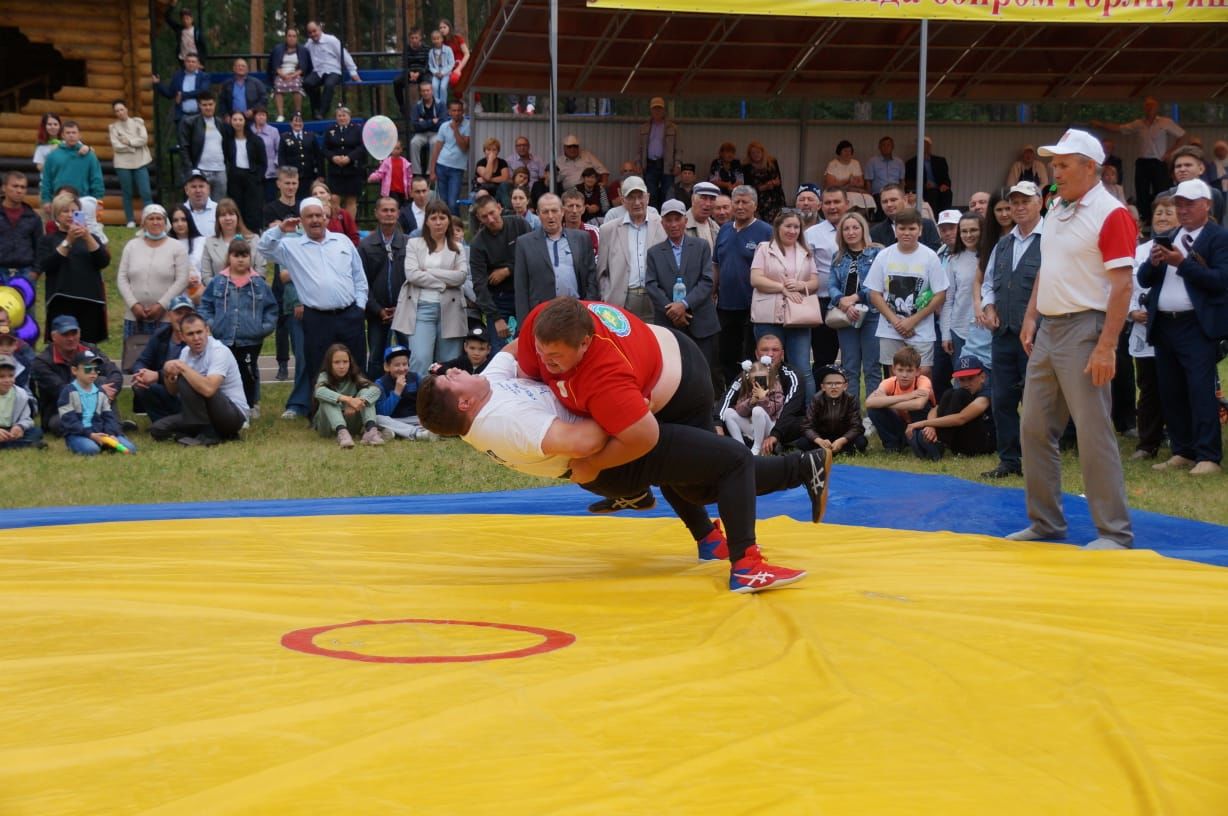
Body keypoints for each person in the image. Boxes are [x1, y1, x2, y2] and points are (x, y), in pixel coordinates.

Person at [419, 298, 829, 593]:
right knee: (730, 463)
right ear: (464, 403)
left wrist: (626, 413)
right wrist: (626, 419)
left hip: (654, 398)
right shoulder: (508, 421)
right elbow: (595, 444)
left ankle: (713, 535)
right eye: (449, 379)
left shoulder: (502, 376)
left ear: (582, 343)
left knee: (696, 478)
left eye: (554, 358)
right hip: (607, 455)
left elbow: (512, 357)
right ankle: (747, 564)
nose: (545, 363)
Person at [1008, 128, 1137, 550]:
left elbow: (1122, 286)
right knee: (1034, 427)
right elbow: (1049, 265)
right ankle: (1045, 523)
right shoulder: (1059, 207)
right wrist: (1032, 315)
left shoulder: (1111, 213)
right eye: (1055, 164)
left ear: (1089, 166)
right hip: (1051, 327)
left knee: (1093, 430)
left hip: (1087, 328)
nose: (1055, 172)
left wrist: (1107, 346)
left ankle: (1114, 532)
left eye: (1063, 165)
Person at [1137, 178, 1228, 477]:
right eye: (1179, 203)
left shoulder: (1218, 238)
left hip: (1196, 326)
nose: (1183, 209)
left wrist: (1182, 263)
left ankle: (1208, 455)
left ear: (1207, 205)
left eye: (1189, 203)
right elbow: (1145, 279)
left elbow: (1220, 281)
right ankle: (1182, 450)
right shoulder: (1169, 235)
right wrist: (1153, 262)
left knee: (1200, 390)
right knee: (1171, 390)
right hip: (1165, 324)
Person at [258, 196, 367, 391]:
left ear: (325, 218)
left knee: (355, 364)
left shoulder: (342, 241)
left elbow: (359, 276)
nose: (315, 220)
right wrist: (281, 229)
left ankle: (358, 409)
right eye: (309, 216)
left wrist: (360, 306)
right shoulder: (290, 247)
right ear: (301, 220)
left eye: (319, 215)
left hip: (350, 314)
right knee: (318, 367)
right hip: (317, 319)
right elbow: (264, 248)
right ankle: (320, 413)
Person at [978, 180, 1044, 479]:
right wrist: (989, 308)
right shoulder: (1003, 244)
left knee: (1037, 402)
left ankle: (1037, 461)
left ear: (1039, 203)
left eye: (1025, 201)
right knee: (1002, 399)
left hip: (1039, 336)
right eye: (1014, 202)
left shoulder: (1052, 240)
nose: (1018, 207)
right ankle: (1009, 460)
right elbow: (989, 283)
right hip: (1003, 335)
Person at [197, 238, 278, 419]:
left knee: (248, 372)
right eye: (236, 255)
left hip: (250, 339)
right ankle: (225, 404)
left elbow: (271, 309)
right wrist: (211, 324)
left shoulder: (259, 284)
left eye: (244, 255)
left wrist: (262, 328)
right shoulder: (218, 282)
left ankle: (250, 404)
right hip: (223, 337)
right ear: (229, 257)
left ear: (250, 258)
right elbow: (205, 305)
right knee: (222, 371)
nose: (240, 260)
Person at [645, 199, 719, 388]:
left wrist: (684, 304)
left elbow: (707, 280)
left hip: (701, 320)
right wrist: (672, 310)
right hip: (669, 322)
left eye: (677, 219)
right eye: (668, 220)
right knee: (674, 373)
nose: (673, 224)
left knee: (705, 372)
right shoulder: (654, 252)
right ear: (662, 223)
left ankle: (707, 413)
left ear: (685, 221)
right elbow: (651, 285)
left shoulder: (701, 246)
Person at [866, 207, 947, 378]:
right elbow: (875, 294)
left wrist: (912, 321)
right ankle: (897, 406)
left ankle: (921, 405)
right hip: (890, 328)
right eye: (902, 228)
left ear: (920, 230)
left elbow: (940, 294)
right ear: (895, 230)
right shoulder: (884, 256)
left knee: (923, 373)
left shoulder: (930, 257)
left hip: (921, 329)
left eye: (912, 228)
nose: (907, 233)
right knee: (894, 374)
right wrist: (896, 322)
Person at [390, 199, 468, 378]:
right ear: (426, 221)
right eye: (434, 218)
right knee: (420, 359)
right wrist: (443, 282)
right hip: (421, 308)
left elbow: (461, 276)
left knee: (448, 361)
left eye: (442, 217)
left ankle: (445, 403)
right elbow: (412, 275)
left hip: (450, 309)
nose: (438, 222)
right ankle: (420, 402)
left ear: (449, 220)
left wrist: (431, 271)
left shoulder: (457, 248)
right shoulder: (414, 244)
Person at [749, 209, 819, 401]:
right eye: (788, 226)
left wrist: (801, 285)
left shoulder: (806, 251)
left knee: (802, 368)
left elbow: (815, 282)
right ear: (778, 227)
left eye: (796, 227)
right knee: (766, 366)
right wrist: (782, 288)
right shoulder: (764, 248)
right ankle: (765, 408)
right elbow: (755, 279)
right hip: (767, 316)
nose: (792, 230)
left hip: (799, 317)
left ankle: (807, 418)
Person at [150, 312, 249, 446]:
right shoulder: (185, 353)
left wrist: (182, 367)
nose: (196, 338)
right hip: (200, 415)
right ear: (182, 336)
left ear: (207, 330)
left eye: (199, 332)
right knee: (158, 429)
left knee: (188, 378)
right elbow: (173, 391)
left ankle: (209, 434)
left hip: (231, 415)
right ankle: (208, 435)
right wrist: (169, 374)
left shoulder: (219, 351)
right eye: (190, 334)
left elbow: (209, 389)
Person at [1125, 196, 1175, 461]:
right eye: (1159, 213)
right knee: (1148, 387)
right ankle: (1147, 444)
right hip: (1144, 331)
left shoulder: (1184, 249)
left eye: (1169, 212)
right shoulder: (1140, 252)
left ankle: (1180, 442)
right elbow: (1126, 286)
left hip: (1175, 329)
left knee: (1176, 386)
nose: (1163, 217)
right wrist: (1132, 311)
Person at [1092, 97, 1187, 228]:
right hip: (1143, 161)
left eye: (1152, 106)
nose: (1149, 109)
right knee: (1141, 191)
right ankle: (1144, 220)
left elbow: (1182, 135)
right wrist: (1101, 125)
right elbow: (1120, 128)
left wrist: (1170, 152)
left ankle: (1164, 217)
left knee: (1161, 190)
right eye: (1147, 106)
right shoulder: (1138, 124)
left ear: (1156, 108)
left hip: (1159, 161)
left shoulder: (1165, 122)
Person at [713, 185, 773, 387]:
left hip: (753, 306)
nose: (739, 206)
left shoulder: (765, 231)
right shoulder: (724, 230)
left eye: (744, 202)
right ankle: (731, 395)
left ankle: (754, 395)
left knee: (750, 357)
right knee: (725, 356)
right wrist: (713, 291)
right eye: (736, 202)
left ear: (754, 205)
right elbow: (716, 265)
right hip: (725, 306)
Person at [513, 193, 598, 323]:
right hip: (542, 316)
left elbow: (591, 277)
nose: (550, 216)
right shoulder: (525, 243)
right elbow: (521, 287)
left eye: (554, 211)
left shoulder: (582, 238)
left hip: (577, 312)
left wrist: (589, 309)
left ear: (562, 212)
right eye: (545, 212)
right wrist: (524, 324)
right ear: (538, 213)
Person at [31, 315, 122, 434]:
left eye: (74, 333)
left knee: (103, 380)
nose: (71, 338)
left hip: (94, 406)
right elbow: (60, 391)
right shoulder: (42, 362)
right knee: (57, 423)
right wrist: (100, 392)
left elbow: (114, 372)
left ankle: (111, 427)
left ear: (80, 333)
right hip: (61, 411)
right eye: (65, 334)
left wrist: (111, 390)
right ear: (54, 337)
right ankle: (107, 426)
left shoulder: (91, 350)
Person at [37, 193, 109, 344]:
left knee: (88, 353)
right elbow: (47, 264)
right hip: (62, 302)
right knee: (62, 349)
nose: (70, 215)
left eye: (74, 211)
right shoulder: (48, 240)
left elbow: (103, 261)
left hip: (90, 302)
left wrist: (88, 237)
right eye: (65, 211)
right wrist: (68, 241)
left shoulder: (91, 238)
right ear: (56, 215)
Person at [828, 211, 884, 401]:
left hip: (873, 315)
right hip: (846, 317)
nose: (851, 232)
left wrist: (855, 297)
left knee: (872, 367)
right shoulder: (838, 257)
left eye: (855, 227)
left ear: (863, 229)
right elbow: (832, 285)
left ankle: (873, 415)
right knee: (849, 367)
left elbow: (879, 283)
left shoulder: (877, 253)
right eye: (846, 228)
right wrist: (841, 302)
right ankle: (851, 414)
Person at [116, 204, 191, 339]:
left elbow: (182, 280)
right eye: (151, 219)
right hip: (135, 317)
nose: (155, 222)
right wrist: (134, 305)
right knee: (134, 357)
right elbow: (122, 278)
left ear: (165, 222)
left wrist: (161, 305)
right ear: (144, 223)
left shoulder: (177, 247)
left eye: (159, 218)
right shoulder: (132, 246)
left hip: (165, 318)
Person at [596, 175, 664, 323]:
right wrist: (607, 295)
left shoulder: (661, 226)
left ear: (648, 198)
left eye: (640, 197)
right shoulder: (608, 230)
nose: (637, 202)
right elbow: (601, 271)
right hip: (622, 301)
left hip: (655, 300)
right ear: (623, 200)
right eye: (631, 198)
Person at [469, 195, 530, 354]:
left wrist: (507, 270)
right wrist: (496, 318)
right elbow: (479, 284)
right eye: (484, 216)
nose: (490, 219)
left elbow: (533, 257)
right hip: (498, 300)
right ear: (479, 218)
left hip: (525, 293)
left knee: (528, 344)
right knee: (499, 351)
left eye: (492, 213)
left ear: (499, 207)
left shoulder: (519, 224)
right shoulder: (478, 243)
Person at [905, 355, 995, 460]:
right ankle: (935, 441)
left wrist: (923, 423)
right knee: (949, 393)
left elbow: (961, 418)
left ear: (982, 377)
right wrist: (931, 427)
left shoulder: (987, 394)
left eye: (970, 378)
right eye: (962, 379)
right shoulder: (960, 391)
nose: (966, 384)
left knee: (960, 394)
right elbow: (935, 409)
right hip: (963, 439)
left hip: (985, 442)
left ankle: (939, 443)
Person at [56, 350, 136, 456]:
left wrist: (111, 434)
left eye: (96, 369)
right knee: (91, 450)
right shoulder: (68, 392)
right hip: (79, 434)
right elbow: (69, 420)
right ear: (74, 370)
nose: (93, 372)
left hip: (102, 432)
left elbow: (109, 416)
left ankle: (103, 444)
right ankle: (82, 444)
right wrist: (90, 434)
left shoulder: (100, 392)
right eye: (88, 369)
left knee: (131, 449)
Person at [129, 294, 195, 421]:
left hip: (187, 389)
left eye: (187, 314)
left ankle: (172, 423)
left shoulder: (196, 338)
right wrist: (140, 373)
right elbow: (142, 360)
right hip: (164, 385)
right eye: (178, 313)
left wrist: (157, 375)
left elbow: (188, 370)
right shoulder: (161, 334)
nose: (183, 317)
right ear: (169, 315)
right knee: (141, 386)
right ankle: (161, 423)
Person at [864, 345, 935, 452]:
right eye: (900, 370)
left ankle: (919, 440)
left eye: (909, 371)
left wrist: (885, 402)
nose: (904, 375)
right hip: (901, 422)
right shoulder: (889, 382)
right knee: (874, 409)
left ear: (918, 371)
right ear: (893, 369)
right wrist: (908, 396)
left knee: (921, 406)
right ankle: (892, 445)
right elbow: (869, 403)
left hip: (924, 422)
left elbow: (918, 404)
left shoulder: (923, 381)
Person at [313, 342, 384, 447]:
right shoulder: (324, 376)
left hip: (350, 424)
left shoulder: (354, 376)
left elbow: (376, 389)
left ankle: (371, 431)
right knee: (327, 400)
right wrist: (348, 400)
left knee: (365, 393)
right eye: (336, 362)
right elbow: (318, 391)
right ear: (329, 364)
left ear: (350, 363)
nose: (342, 366)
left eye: (345, 362)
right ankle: (342, 433)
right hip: (327, 427)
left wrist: (359, 402)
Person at [797, 364, 866, 456]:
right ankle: (828, 449)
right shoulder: (816, 399)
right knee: (802, 443)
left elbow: (857, 426)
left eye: (838, 383)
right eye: (829, 383)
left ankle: (833, 450)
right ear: (823, 387)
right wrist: (819, 440)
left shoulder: (850, 400)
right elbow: (806, 426)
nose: (833, 387)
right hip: (822, 437)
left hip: (843, 436)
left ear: (845, 386)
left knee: (861, 441)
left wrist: (842, 440)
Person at [941, 212, 983, 362]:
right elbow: (948, 300)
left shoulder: (994, 254)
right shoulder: (954, 260)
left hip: (987, 331)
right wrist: (946, 333)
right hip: (959, 331)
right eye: (964, 231)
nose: (968, 235)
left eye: (973, 230)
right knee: (962, 382)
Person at [720, 356, 784, 454]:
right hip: (753, 427)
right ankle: (740, 448)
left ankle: (757, 448)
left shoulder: (775, 387)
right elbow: (740, 412)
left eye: (763, 378)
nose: (759, 382)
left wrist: (763, 399)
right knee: (728, 412)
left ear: (769, 376)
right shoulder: (748, 389)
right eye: (755, 379)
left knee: (757, 410)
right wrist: (751, 402)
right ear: (749, 379)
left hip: (770, 428)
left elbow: (774, 410)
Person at [373, 344, 436, 440]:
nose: (402, 369)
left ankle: (398, 432)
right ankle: (417, 433)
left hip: (415, 419)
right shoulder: (380, 383)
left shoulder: (416, 378)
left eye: (405, 364)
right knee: (377, 418)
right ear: (387, 367)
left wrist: (424, 418)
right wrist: (397, 392)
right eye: (397, 365)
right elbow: (383, 413)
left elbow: (426, 401)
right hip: (394, 420)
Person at [199, 198, 265, 288]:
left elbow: (260, 271)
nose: (227, 218)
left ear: (237, 217)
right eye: (223, 215)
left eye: (231, 214)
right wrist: (223, 289)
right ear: (217, 219)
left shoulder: (254, 240)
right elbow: (206, 276)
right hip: (220, 295)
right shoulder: (209, 243)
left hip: (250, 292)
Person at [108, 100, 153, 228]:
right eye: (117, 111)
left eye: (121, 109)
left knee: (146, 192)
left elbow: (143, 139)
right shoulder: (113, 127)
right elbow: (116, 146)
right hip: (122, 163)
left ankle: (149, 218)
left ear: (126, 109)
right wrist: (133, 147)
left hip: (140, 161)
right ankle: (130, 220)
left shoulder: (138, 122)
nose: (120, 112)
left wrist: (129, 142)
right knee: (127, 192)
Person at [39, 122, 103, 211]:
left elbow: (96, 178)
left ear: (79, 135)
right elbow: (47, 179)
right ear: (62, 135)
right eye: (68, 133)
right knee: (57, 225)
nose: (71, 135)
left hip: (83, 202)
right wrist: (46, 200)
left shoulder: (89, 156)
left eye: (74, 132)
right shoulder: (53, 155)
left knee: (80, 225)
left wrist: (98, 199)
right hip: (59, 202)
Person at [303, 21, 361, 117]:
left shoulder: (331, 40)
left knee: (329, 84)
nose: (313, 34)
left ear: (320, 29)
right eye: (310, 32)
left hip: (333, 70)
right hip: (318, 71)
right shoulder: (309, 44)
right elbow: (303, 55)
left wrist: (353, 71)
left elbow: (344, 55)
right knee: (307, 83)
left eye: (314, 31)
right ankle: (317, 107)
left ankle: (322, 112)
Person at [222, 111, 267, 231]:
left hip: (252, 177)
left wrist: (258, 177)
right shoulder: (228, 141)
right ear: (231, 122)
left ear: (245, 121)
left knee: (253, 209)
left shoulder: (256, 140)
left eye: (240, 119)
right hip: (235, 178)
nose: (237, 122)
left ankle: (254, 234)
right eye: (235, 119)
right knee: (237, 208)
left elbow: (263, 162)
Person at [178, 94, 227, 197]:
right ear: (199, 105)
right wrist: (190, 169)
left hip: (220, 170)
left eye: (210, 104)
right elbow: (184, 147)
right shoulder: (190, 122)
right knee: (199, 204)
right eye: (204, 105)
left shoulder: (220, 123)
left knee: (218, 207)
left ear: (215, 105)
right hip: (201, 170)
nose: (208, 107)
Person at [0, 172, 43, 285]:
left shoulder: (33, 217)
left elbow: (39, 246)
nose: (19, 190)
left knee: (24, 303)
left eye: (23, 187)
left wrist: (36, 271)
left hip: (25, 273)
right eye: (15, 186)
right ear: (4, 188)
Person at [870, 183, 942, 251]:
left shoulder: (927, 225)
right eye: (885, 201)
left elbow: (936, 253)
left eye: (893, 200)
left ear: (905, 200)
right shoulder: (876, 232)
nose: (889, 204)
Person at [429, 100, 470, 216]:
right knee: (444, 203)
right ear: (449, 112)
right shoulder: (444, 126)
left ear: (463, 112)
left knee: (453, 203)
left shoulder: (468, 125)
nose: (456, 113)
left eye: (459, 110)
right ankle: (446, 227)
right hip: (441, 166)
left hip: (456, 169)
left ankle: (456, 226)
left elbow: (464, 147)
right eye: (454, 110)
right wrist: (432, 170)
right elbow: (437, 149)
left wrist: (456, 129)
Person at [322, 106, 365, 218]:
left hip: (353, 170)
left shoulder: (357, 129)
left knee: (351, 200)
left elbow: (362, 147)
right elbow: (325, 149)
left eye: (344, 115)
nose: (342, 118)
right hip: (335, 170)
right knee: (334, 198)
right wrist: (333, 157)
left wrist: (349, 158)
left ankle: (349, 227)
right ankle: (337, 226)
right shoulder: (330, 130)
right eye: (339, 116)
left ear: (349, 116)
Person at [152, 52, 211, 126]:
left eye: (193, 62)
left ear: (198, 63)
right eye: (188, 61)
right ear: (184, 63)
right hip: (182, 116)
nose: (191, 64)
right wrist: (158, 84)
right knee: (182, 137)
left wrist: (183, 95)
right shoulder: (178, 76)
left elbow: (203, 91)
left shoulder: (204, 76)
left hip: (199, 115)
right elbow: (170, 93)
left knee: (198, 137)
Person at [639, 97, 679, 206]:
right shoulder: (644, 127)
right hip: (650, 164)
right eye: (655, 108)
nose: (657, 111)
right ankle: (653, 218)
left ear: (664, 110)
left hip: (667, 165)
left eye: (659, 108)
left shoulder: (673, 127)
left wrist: (678, 164)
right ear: (651, 110)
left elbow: (678, 148)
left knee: (667, 193)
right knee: (651, 193)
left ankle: (667, 218)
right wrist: (639, 163)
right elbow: (640, 148)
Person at [0, 352, 43, 450]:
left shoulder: (21, 394)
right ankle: (21, 444)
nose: (7, 380)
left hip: (11, 428)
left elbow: (26, 418)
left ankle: (9, 443)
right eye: (1, 377)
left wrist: (20, 427)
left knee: (37, 431)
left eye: (11, 376)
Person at [267, 27, 311, 122]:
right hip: (281, 73)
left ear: (297, 38)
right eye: (289, 36)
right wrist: (282, 75)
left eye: (294, 36)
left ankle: (297, 113)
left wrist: (294, 75)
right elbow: (274, 65)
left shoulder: (303, 50)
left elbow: (304, 67)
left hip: (295, 74)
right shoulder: (278, 49)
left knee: (296, 86)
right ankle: (280, 115)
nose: (291, 38)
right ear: (286, 37)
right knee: (278, 86)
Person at [905, 137, 953, 215]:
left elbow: (946, 178)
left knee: (947, 193)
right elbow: (909, 182)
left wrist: (945, 185)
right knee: (932, 193)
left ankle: (945, 217)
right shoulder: (911, 163)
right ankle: (933, 219)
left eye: (926, 145)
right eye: (922, 145)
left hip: (939, 187)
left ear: (930, 147)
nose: (924, 147)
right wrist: (924, 185)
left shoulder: (940, 161)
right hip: (923, 189)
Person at [825, 140, 875, 214]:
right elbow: (831, 184)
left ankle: (857, 218)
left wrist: (844, 183)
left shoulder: (855, 163)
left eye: (849, 151)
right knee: (850, 199)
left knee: (868, 198)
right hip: (838, 192)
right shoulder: (833, 164)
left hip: (853, 190)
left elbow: (861, 183)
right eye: (845, 151)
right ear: (839, 152)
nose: (848, 153)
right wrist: (848, 180)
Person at [277, 113, 321, 196]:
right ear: (290, 123)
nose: (298, 124)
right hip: (292, 176)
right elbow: (281, 156)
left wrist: (320, 174)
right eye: (295, 121)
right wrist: (283, 174)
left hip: (310, 174)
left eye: (300, 121)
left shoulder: (310, 136)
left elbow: (318, 155)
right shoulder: (285, 137)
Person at [743, 140, 784, 223]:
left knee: (778, 223)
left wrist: (773, 183)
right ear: (749, 155)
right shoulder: (746, 167)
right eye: (753, 153)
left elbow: (779, 180)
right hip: (758, 200)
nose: (756, 155)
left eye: (758, 152)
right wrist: (764, 187)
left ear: (762, 152)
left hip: (775, 199)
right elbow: (747, 188)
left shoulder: (772, 162)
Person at [865, 136, 906, 216]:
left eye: (888, 145)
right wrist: (869, 197)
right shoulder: (872, 162)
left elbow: (902, 181)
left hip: (895, 192)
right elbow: (868, 181)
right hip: (879, 193)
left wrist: (902, 194)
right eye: (883, 145)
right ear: (879, 148)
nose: (886, 147)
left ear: (893, 147)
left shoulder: (899, 162)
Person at [393, 28, 429, 119]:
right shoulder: (407, 49)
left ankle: (427, 108)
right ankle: (402, 107)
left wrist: (419, 73)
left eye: (416, 38)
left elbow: (427, 64)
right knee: (397, 82)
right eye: (412, 38)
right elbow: (405, 64)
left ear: (420, 38)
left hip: (422, 74)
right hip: (410, 73)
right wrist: (410, 73)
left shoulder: (426, 48)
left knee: (428, 84)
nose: (414, 40)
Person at [409, 83, 444, 177]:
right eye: (423, 91)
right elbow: (415, 125)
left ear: (432, 91)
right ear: (420, 92)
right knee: (414, 142)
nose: (426, 93)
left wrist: (423, 122)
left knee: (435, 142)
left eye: (428, 90)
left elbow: (442, 124)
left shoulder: (440, 104)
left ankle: (430, 171)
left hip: (436, 133)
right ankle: (416, 172)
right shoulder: (417, 106)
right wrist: (432, 122)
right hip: (421, 134)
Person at [170, 203, 206, 292]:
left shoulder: (202, 241)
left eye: (183, 219)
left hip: (202, 291)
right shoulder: (167, 244)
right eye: (175, 220)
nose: (180, 224)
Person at [368, 141, 413, 206]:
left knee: (402, 208)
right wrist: (372, 177)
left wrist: (409, 190)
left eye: (397, 148)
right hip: (391, 190)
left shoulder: (405, 162)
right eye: (393, 148)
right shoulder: (386, 162)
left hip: (402, 191)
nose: (395, 151)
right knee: (394, 206)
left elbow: (409, 177)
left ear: (401, 149)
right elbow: (380, 173)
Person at [438, 19, 470, 89]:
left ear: (449, 27)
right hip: (449, 69)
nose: (442, 29)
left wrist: (459, 68)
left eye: (444, 27)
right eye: (440, 28)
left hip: (462, 66)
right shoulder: (441, 43)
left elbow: (467, 54)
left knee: (456, 79)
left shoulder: (458, 38)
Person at [427, 28, 456, 105]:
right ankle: (436, 105)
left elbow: (451, 63)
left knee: (443, 87)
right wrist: (435, 72)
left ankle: (442, 106)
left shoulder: (448, 49)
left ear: (442, 39)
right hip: (436, 74)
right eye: (434, 39)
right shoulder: (431, 52)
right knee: (434, 87)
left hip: (446, 74)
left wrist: (443, 72)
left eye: (438, 38)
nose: (436, 41)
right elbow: (430, 65)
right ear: (432, 40)